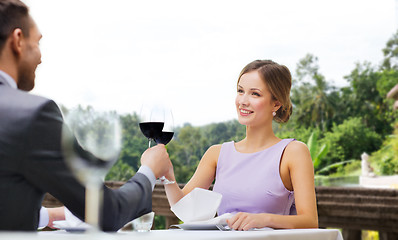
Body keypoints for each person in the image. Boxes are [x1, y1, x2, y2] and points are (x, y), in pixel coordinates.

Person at [0, 0, 172, 231]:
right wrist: (149, 171)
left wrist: (47, 216)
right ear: (18, 40)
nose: (41, 57)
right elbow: (108, 212)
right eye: (37, 42)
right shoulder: (31, 115)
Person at [164, 60, 318, 230]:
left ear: (276, 103)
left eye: (255, 94)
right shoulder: (216, 154)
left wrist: (263, 219)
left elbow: (309, 221)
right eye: (240, 91)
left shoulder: (293, 152)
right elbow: (183, 209)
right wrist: (168, 176)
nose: (243, 101)